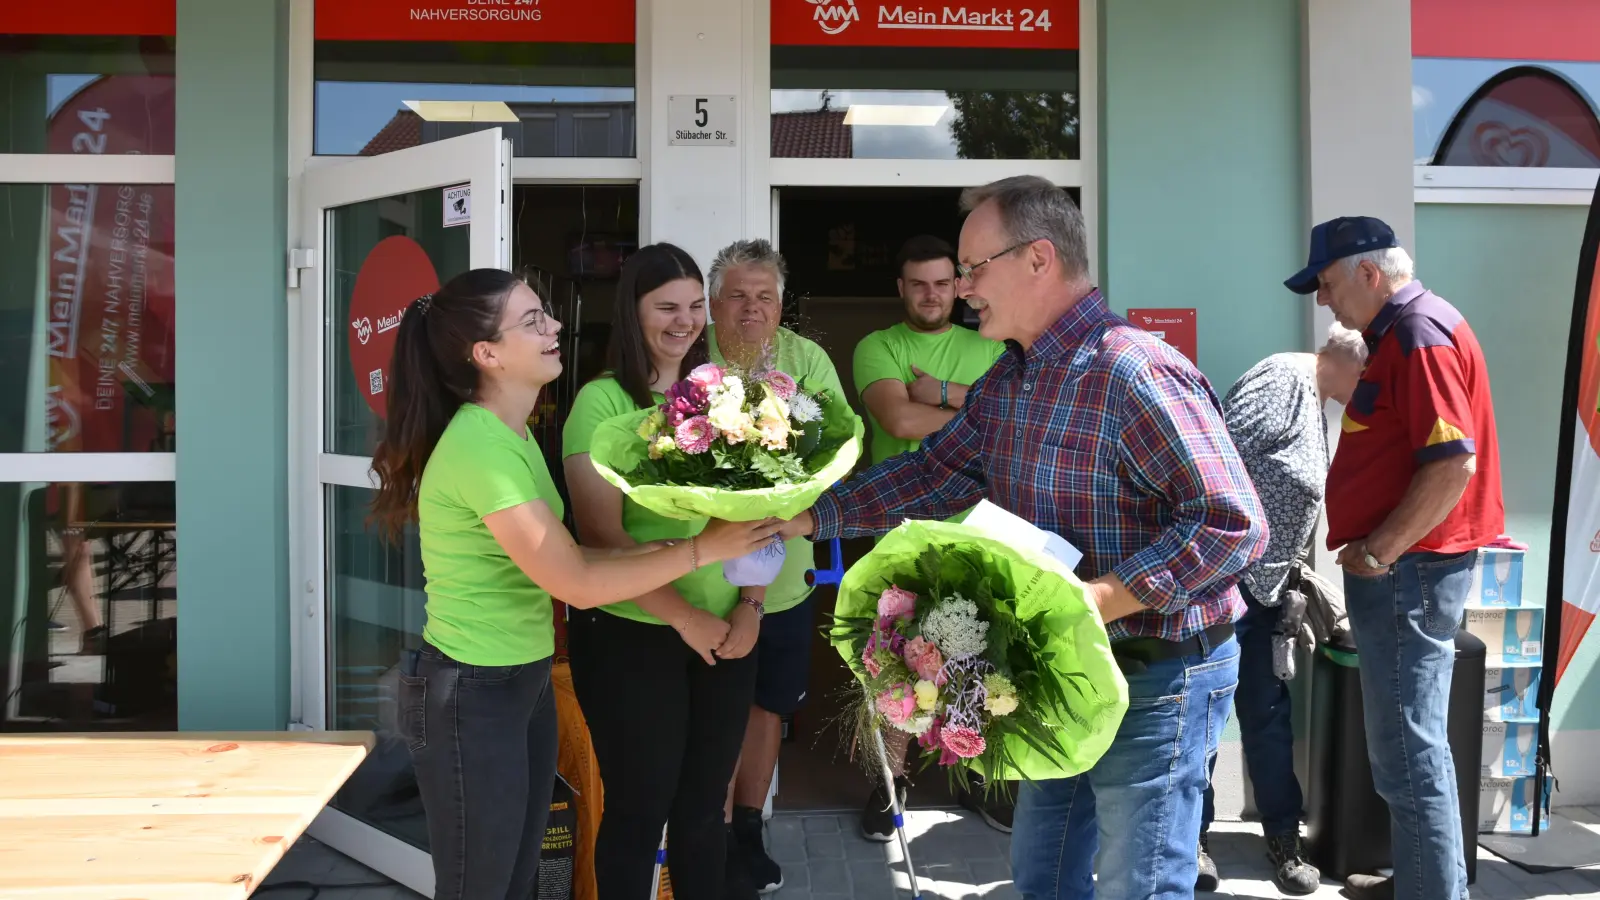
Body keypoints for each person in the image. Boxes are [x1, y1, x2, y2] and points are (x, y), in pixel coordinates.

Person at [780, 176, 1267, 899]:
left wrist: (1100, 596)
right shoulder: (1011, 380)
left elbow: (1232, 524)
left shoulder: (1134, 370)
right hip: (1058, 667)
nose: (965, 287)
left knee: (1142, 885)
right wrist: (807, 516)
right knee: (1043, 873)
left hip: (1160, 673)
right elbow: (933, 475)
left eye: (975, 268)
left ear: (1039, 259)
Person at [369, 268, 782, 900]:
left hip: (521, 677)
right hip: (472, 693)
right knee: (482, 885)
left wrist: (681, 552)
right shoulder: (480, 448)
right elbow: (578, 580)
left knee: (519, 877)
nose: (555, 327)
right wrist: (702, 548)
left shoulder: (514, 433)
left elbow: (578, 555)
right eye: (532, 320)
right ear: (486, 354)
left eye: (547, 313)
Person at [1285, 217, 1504, 900]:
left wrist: (1381, 549)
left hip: (1410, 573)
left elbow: (1452, 466)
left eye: (1326, 284)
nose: (1323, 301)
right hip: (1410, 570)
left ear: (1367, 274)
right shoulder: (1404, 332)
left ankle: (1433, 892)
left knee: (1407, 752)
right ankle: (1421, 878)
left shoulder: (1417, 334)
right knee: (1406, 748)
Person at [561, 243, 766, 900]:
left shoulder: (723, 395)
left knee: (706, 812)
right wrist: (685, 617)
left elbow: (761, 511)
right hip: (633, 632)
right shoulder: (601, 403)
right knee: (639, 811)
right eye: (666, 307)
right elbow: (602, 535)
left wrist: (751, 605)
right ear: (633, 312)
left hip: (726, 633)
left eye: (695, 307)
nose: (685, 321)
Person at [1194, 325, 1367, 895]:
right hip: (1227, 585)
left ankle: (1282, 837)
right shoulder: (1282, 379)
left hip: (1266, 590)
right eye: (1370, 377)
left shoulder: (1315, 397)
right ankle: (1191, 839)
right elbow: (1215, 465)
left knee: (1267, 715)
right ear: (1351, 362)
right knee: (1206, 718)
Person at [850, 234, 1009, 840]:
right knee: (894, 658)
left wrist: (940, 393)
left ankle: (980, 776)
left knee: (981, 652)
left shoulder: (991, 343)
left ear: (961, 285)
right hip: (902, 530)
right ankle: (893, 783)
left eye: (943, 283)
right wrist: (976, 413)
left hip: (980, 524)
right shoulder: (878, 346)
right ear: (901, 288)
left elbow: (1010, 422)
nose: (932, 294)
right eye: (919, 283)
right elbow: (898, 419)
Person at [709, 238, 846, 895]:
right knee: (714, 708)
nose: (750, 309)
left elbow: (845, 441)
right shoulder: (690, 354)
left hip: (785, 578)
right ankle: (705, 833)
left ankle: (747, 831)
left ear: (782, 303)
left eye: (763, 297)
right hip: (702, 578)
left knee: (767, 707)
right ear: (714, 302)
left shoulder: (807, 358)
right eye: (737, 296)